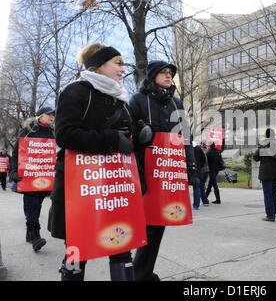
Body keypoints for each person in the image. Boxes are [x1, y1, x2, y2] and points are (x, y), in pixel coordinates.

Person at [47, 43, 135, 281]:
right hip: (80, 191)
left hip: (114, 189)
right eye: (118, 63)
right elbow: (64, 135)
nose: (123, 69)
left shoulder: (120, 97)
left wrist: (139, 135)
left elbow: (126, 136)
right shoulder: (75, 91)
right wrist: (111, 140)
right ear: (99, 65)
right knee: (77, 252)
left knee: (121, 246)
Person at [130, 60, 198, 281]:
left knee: (159, 224)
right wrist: (139, 132)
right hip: (145, 170)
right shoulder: (138, 100)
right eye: (164, 73)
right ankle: (140, 273)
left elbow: (185, 137)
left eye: (171, 73)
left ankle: (144, 272)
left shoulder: (176, 103)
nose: (169, 76)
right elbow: (127, 133)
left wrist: (191, 167)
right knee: (148, 225)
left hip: (169, 171)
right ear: (152, 76)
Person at [9, 107, 55, 252]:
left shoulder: (53, 133)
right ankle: (35, 236)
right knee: (32, 205)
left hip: (45, 177)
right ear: (40, 116)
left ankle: (29, 232)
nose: (52, 117)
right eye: (49, 114)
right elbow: (16, 154)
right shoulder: (28, 132)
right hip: (29, 177)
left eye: (53, 115)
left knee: (37, 205)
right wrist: (14, 172)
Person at [253, 128, 276, 222]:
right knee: (274, 194)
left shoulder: (264, 144)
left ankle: (270, 216)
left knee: (268, 194)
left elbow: (256, 157)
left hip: (266, 173)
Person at [192, 140, 209, 209]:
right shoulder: (199, 149)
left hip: (196, 171)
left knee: (197, 187)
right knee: (200, 187)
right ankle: (203, 202)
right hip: (200, 170)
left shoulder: (189, 148)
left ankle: (197, 204)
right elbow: (203, 160)